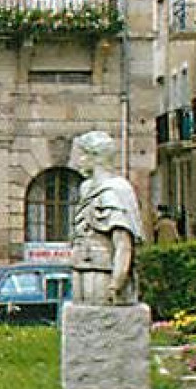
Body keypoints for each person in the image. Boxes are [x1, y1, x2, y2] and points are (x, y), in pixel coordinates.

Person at [68, 130, 144, 306]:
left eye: (83, 155)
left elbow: (123, 244)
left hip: (103, 271)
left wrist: (116, 283)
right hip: (80, 264)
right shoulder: (85, 188)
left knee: (100, 312)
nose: (79, 161)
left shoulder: (115, 191)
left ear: (96, 158)